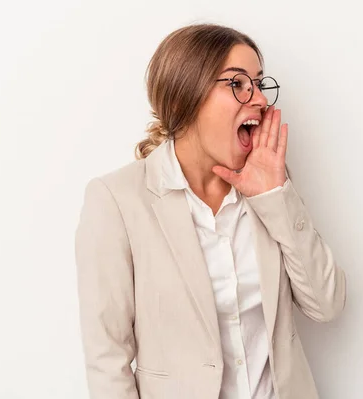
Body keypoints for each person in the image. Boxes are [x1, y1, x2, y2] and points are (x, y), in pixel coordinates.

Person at [75, 23, 346, 399]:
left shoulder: (270, 188)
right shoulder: (116, 200)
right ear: (185, 97)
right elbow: (108, 362)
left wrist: (276, 195)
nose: (260, 100)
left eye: (259, 83)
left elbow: (326, 305)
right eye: (238, 84)